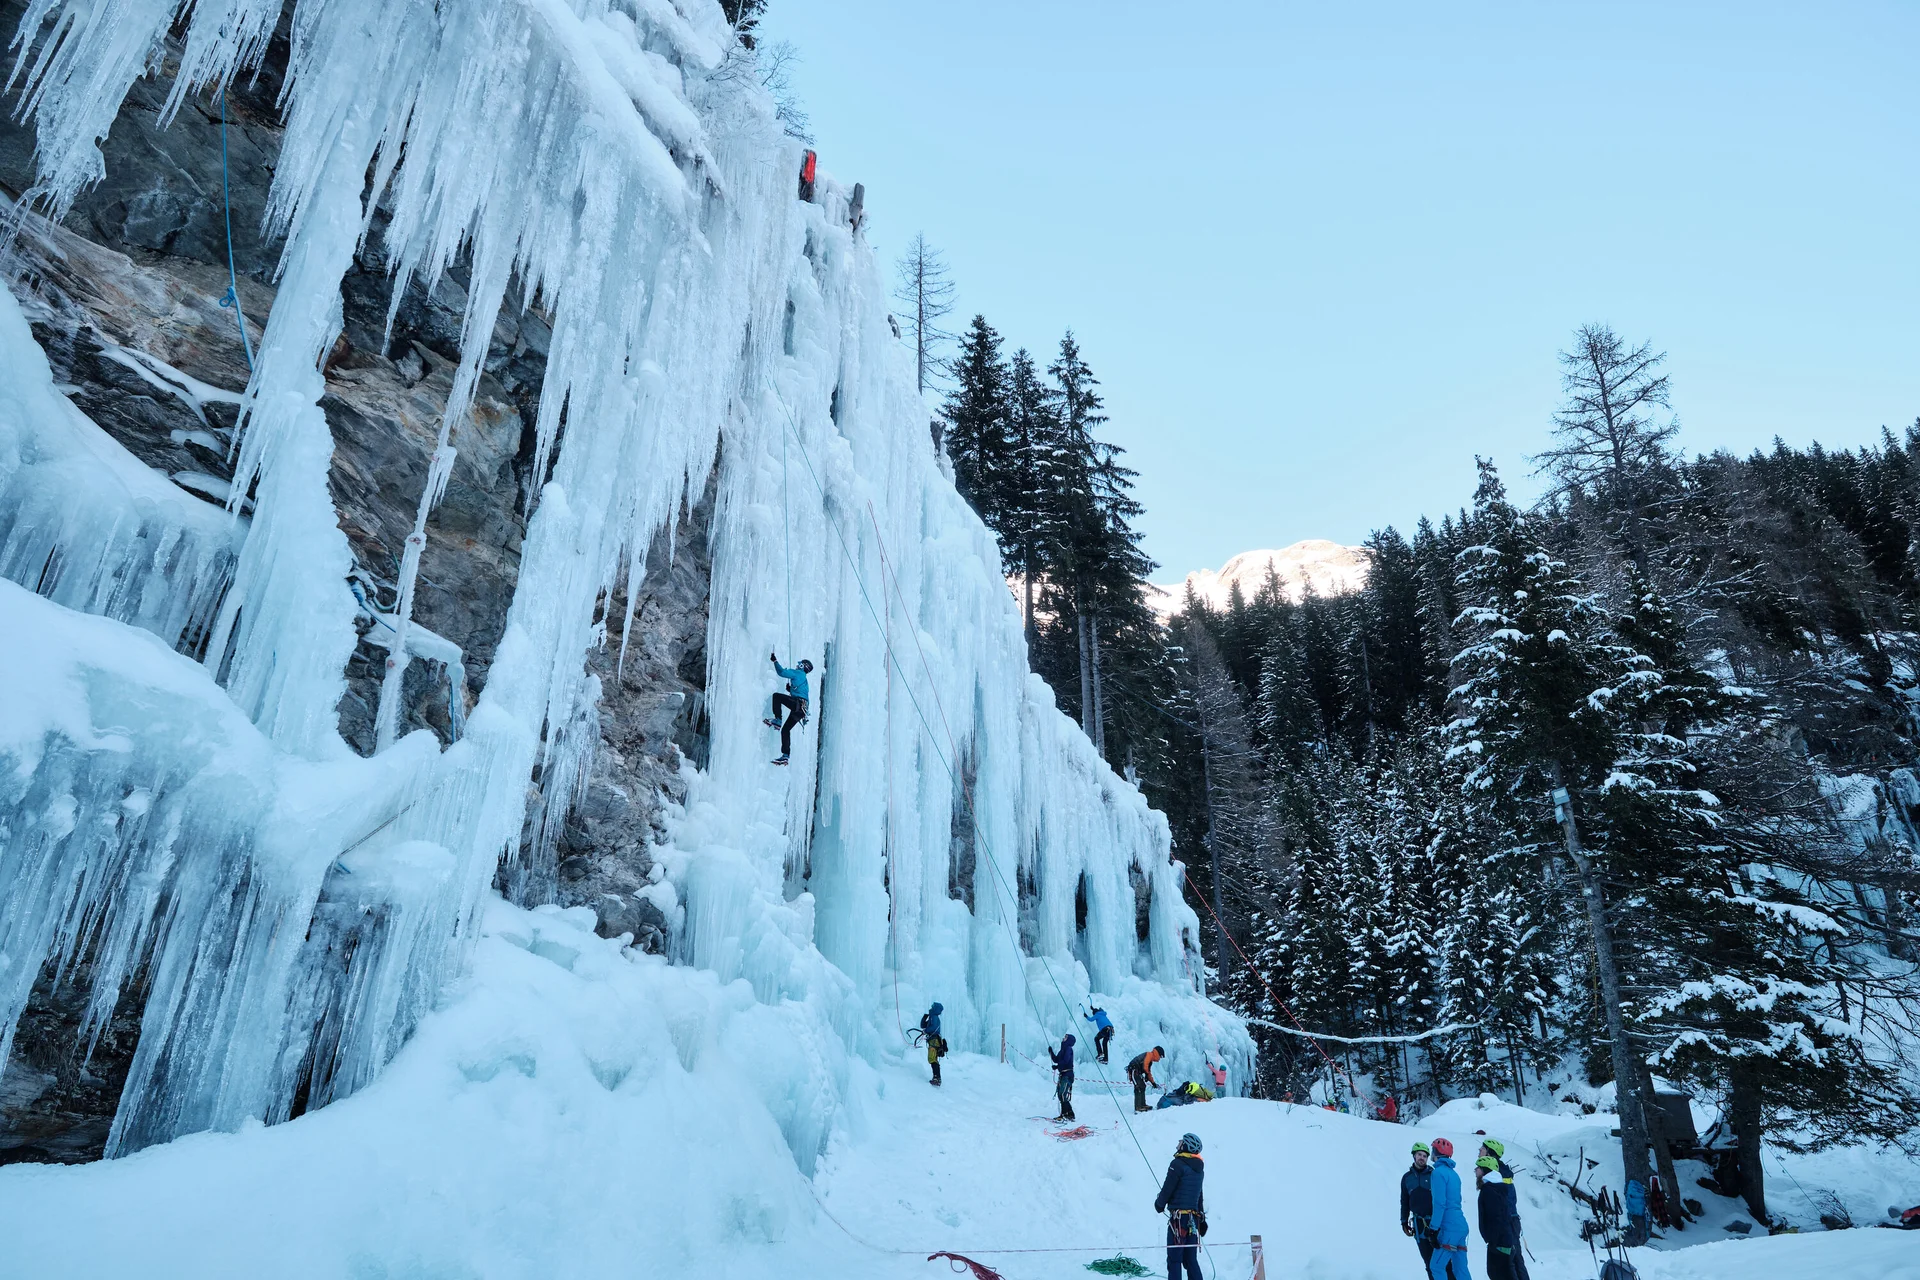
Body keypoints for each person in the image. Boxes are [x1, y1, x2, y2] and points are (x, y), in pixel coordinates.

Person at [1154, 1132, 1207, 1280]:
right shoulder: (1199, 1168)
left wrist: (1159, 1204)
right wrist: (1202, 1217)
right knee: (1190, 1260)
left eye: (1181, 1142)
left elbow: (1168, 1188)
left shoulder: (1177, 1164)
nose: (1178, 1144)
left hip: (1178, 1220)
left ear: (1186, 1146)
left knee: (1174, 1260)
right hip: (1193, 1220)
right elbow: (1199, 1195)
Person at [1478, 1140, 1530, 1279]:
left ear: (1490, 1153)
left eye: (1482, 1149)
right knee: (1514, 1260)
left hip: (1508, 1223)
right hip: (1510, 1222)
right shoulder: (1501, 1172)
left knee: (1511, 1262)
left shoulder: (1497, 1173)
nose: (1479, 1150)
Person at [1427, 1137, 1472, 1280]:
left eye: (1432, 1149)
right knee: (1460, 1269)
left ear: (1436, 1152)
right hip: (1461, 1226)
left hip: (1449, 1227)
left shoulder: (1438, 1173)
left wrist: (1433, 1229)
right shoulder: (1454, 1174)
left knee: (1436, 1266)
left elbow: (1440, 1203)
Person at [765, 652, 814, 764]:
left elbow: (782, 672)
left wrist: (775, 661)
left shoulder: (799, 673)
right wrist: (790, 690)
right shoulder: (803, 679)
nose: (797, 665)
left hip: (798, 704)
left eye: (800, 664)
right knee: (786, 730)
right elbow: (801, 693)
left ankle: (778, 719)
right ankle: (785, 755)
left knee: (777, 696)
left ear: (802, 666)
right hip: (801, 710)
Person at [1401, 1142, 1436, 1274]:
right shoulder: (1407, 1178)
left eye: (1424, 1156)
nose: (1422, 1158)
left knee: (1442, 1261)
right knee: (1428, 1262)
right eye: (1419, 1155)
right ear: (1414, 1156)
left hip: (1435, 1223)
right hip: (1419, 1224)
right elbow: (1404, 1201)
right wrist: (1404, 1221)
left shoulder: (1434, 1175)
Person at [1127, 1045, 1165, 1114]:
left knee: (1143, 1086)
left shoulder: (1150, 1060)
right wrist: (1147, 1074)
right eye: (1160, 1056)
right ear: (1158, 1054)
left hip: (1137, 1072)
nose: (1160, 1058)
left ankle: (1142, 1105)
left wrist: (1153, 1083)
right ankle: (1138, 1108)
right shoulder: (1149, 1054)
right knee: (1138, 1087)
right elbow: (1145, 1066)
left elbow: (1148, 1072)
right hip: (1133, 1070)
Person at [1050, 1033, 1077, 1122]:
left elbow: (1066, 1060)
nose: (1063, 1038)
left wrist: (1057, 1067)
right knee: (1061, 1094)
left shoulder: (1068, 1049)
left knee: (1062, 1094)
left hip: (1067, 1075)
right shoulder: (1062, 1050)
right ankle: (1069, 1113)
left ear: (1069, 1040)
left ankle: (1065, 1114)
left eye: (1066, 1037)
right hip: (1064, 1075)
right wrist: (1051, 1052)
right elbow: (1056, 1060)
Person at [919, 1002, 945, 1086]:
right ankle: (937, 1078)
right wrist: (924, 1018)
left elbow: (933, 1027)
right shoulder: (932, 1017)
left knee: (932, 1058)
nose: (931, 1008)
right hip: (933, 1040)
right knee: (933, 1058)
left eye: (932, 1007)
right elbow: (923, 1026)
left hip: (934, 1040)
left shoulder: (934, 1017)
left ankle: (937, 1078)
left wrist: (926, 1031)